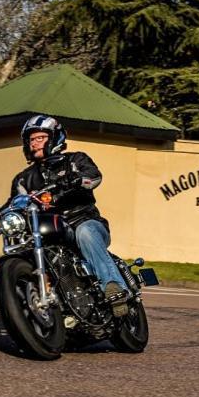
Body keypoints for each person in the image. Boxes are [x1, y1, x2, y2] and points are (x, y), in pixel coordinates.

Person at [9, 114, 129, 316]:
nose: (34, 143)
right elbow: (14, 204)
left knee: (84, 232)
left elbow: (94, 176)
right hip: (51, 232)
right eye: (31, 140)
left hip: (85, 222)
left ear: (54, 137)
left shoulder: (74, 160)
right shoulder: (24, 179)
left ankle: (114, 289)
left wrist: (75, 181)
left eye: (40, 138)